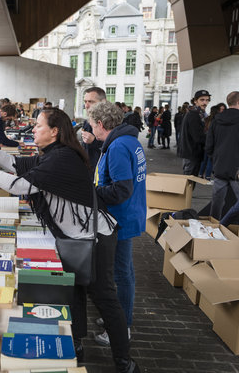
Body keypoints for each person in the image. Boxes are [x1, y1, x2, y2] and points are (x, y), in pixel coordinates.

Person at [0, 108, 140, 373]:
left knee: (104, 297)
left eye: (38, 126)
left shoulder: (62, 159)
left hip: (94, 237)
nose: (33, 130)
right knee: (75, 290)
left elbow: (21, 186)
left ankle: (123, 361)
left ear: (54, 131)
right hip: (75, 236)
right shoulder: (54, 155)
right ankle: (76, 344)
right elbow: (16, 166)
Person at [88, 101, 146, 348]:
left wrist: (92, 194)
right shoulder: (129, 141)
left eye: (92, 125)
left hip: (119, 218)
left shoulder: (119, 146)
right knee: (124, 272)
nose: (92, 130)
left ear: (101, 124)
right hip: (128, 215)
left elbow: (122, 188)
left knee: (121, 274)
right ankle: (119, 318)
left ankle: (121, 327)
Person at [206, 91, 239, 219]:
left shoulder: (216, 119)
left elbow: (209, 145)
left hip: (219, 166)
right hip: (236, 169)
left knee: (217, 202)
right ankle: (228, 225)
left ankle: (214, 228)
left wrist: (215, 159)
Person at [179, 90, 211, 176]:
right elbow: (198, 137)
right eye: (202, 100)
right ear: (195, 101)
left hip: (192, 153)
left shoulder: (198, 113)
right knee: (188, 183)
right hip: (191, 153)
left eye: (207, 100)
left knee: (189, 183)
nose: (205, 102)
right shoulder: (194, 114)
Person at [81, 87, 106, 171]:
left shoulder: (111, 122)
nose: (87, 106)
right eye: (85, 102)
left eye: (91, 102)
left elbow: (114, 149)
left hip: (102, 171)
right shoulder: (86, 122)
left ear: (103, 102)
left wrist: (94, 141)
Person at [199, 105, 219, 181]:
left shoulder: (207, 118)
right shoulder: (216, 120)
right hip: (212, 142)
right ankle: (207, 177)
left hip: (205, 141)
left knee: (204, 160)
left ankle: (200, 174)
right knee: (210, 161)